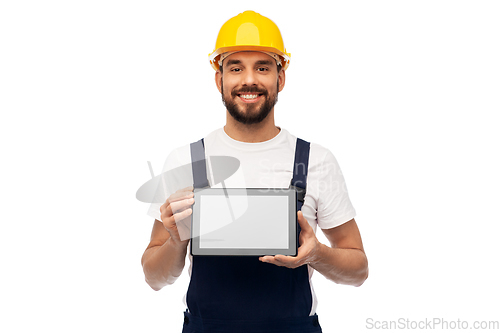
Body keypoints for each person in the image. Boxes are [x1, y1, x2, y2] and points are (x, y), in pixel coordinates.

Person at [141, 10, 368, 333]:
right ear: (219, 79)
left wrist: (316, 254)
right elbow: (153, 277)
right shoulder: (186, 161)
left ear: (281, 78)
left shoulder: (316, 160)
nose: (249, 80)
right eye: (236, 68)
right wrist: (176, 240)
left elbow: (358, 270)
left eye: (262, 67)